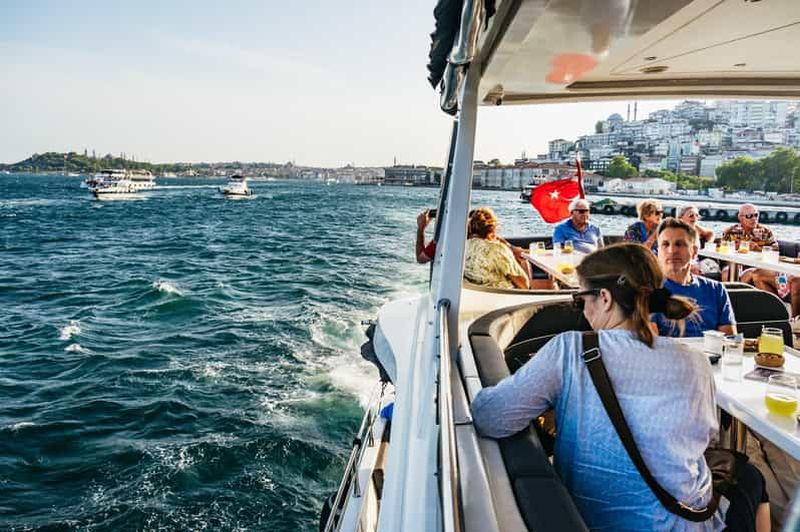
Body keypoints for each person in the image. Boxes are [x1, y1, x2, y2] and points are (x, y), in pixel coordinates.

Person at [471, 243, 769, 530]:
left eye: (580, 300)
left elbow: (489, 416)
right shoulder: (696, 362)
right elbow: (702, 440)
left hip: (591, 521)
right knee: (750, 477)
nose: (582, 310)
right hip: (681, 522)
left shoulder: (568, 350)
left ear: (604, 298)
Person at [652, 217, 736, 337]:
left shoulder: (716, 290)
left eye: (679, 244)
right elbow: (651, 343)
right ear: (658, 251)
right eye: (665, 244)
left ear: (694, 251)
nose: (672, 250)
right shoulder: (648, 291)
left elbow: (729, 339)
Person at [463, 207, 530, 289]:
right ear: (493, 228)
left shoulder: (463, 247)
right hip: (502, 294)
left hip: (474, 292)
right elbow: (524, 285)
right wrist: (522, 263)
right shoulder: (497, 249)